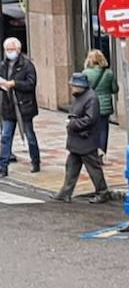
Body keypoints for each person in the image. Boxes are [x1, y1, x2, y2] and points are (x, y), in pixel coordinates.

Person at [52, 73, 110, 204]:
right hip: (78, 139)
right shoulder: (81, 96)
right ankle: (65, 192)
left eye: (73, 85)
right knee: (71, 166)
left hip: (86, 139)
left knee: (93, 167)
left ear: (80, 86)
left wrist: (72, 123)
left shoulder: (91, 98)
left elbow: (90, 119)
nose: (71, 87)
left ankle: (102, 191)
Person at [0, 37, 39, 176]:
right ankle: (3, 167)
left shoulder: (27, 65)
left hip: (24, 106)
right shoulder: (3, 65)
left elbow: (31, 84)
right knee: (5, 137)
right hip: (8, 106)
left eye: (11, 49)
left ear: (18, 49)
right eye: (6, 50)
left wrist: (15, 84)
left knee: (29, 136)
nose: (8, 52)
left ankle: (35, 161)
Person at [82, 50, 117, 160]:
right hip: (105, 106)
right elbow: (114, 89)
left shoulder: (85, 73)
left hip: (90, 105)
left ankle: (92, 152)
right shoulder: (108, 73)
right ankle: (101, 153)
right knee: (103, 130)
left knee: (92, 129)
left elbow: (82, 90)